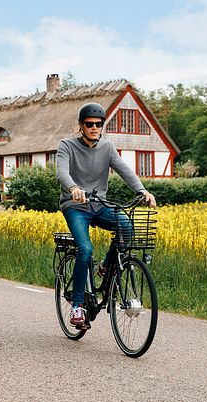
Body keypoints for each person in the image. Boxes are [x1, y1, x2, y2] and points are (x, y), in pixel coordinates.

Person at [55, 102, 156, 329]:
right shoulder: (66, 146)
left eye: (98, 124)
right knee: (85, 249)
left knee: (127, 227)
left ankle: (106, 265)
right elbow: (61, 171)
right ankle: (78, 307)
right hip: (75, 207)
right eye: (89, 124)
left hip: (99, 205)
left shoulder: (107, 148)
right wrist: (73, 188)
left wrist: (142, 191)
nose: (94, 128)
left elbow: (124, 169)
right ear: (81, 125)